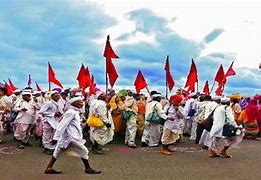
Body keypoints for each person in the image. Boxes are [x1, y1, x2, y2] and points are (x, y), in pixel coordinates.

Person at [44, 97, 101, 174]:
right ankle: (88, 168)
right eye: (80, 102)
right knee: (83, 150)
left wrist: (81, 121)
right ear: (74, 103)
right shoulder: (71, 112)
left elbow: (72, 122)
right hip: (71, 136)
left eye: (82, 101)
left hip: (68, 136)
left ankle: (49, 168)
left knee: (58, 151)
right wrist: (56, 138)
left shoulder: (74, 112)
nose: (82, 103)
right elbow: (62, 125)